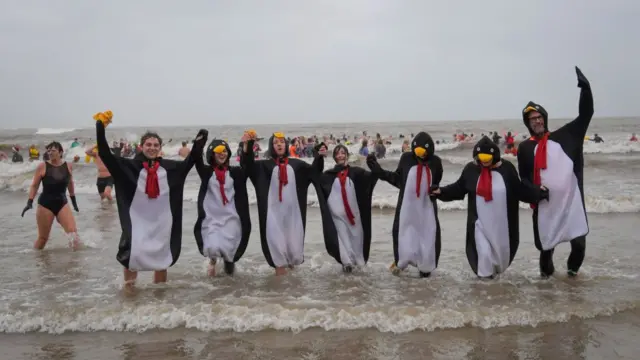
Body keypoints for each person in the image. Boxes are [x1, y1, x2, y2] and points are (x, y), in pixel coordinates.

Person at [94, 110, 207, 287]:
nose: (152, 147)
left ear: (160, 148)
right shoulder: (128, 166)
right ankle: (129, 294)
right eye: (149, 144)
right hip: (137, 221)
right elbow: (105, 153)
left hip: (161, 222)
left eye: (156, 145)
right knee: (131, 256)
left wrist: (199, 143)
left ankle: (158, 297)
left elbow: (189, 163)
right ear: (141, 146)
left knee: (161, 258)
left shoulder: (169, 168)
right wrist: (100, 127)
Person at [432, 136, 547, 278]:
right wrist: (441, 192)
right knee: (484, 256)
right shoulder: (471, 170)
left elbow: (519, 190)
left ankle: (491, 287)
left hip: (501, 226)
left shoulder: (507, 169)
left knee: (498, 260)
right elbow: (458, 188)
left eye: (488, 158)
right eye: (481, 158)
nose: (485, 162)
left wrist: (537, 192)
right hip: (479, 224)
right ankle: (485, 290)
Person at [517, 66, 594, 278]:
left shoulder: (565, 137)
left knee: (579, 245)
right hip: (544, 205)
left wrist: (585, 89)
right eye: (532, 119)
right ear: (528, 123)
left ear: (545, 118)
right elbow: (523, 179)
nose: (537, 121)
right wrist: (534, 191)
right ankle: (547, 286)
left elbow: (585, 114)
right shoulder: (524, 148)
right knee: (546, 250)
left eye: (540, 116)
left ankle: (571, 277)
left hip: (571, 202)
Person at [241, 131, 326, 276]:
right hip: (272, 217)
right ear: (271, 146)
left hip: (293, 217)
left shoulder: (297, 165)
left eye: (281, 141)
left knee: (292, 253)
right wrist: (247, 145)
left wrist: (319, 155)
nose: (279, 144)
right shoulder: (263, 166)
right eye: (275, 142)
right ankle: (280, 293)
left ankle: (289, 291)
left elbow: (314, 172)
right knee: (277, 254)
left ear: (286, 145)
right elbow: (247, 165)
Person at [367, 132, 443, 278]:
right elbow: (398, 179)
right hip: (407, 209)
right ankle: (401, 265)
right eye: (418, 152)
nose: (421, 156)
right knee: (405, 236)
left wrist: (438, 190)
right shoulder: (406, 158)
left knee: (428, 238)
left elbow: (437, 181)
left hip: (426, 209)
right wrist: (379, 171)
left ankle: (425, 271)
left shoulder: (436, 162)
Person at [193, 135, 251, 277]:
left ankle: (227, 286)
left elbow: (248, 166)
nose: (222, 153)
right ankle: (212, 265)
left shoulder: (235, 173)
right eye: (218, 151)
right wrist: (200, 142)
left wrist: (247, 146)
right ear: (212, 154)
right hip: (212, 218)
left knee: (229, 255)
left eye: (225, 151)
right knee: (212, 247)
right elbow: (197, 160)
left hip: (231, 218)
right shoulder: (207, 172)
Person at [315, 144, 378, 272]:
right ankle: (347, 274)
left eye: (343, 153)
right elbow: (315, 175)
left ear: (347, 156)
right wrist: (318, 157)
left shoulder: (356, 172)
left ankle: (358, 275)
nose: (340, 155)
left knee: (357, 246)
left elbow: (372, 177)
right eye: (337, 153)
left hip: (355, 218)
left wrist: (373, 163)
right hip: (338, 217)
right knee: (345, 247)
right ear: (334, 157)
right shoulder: (328, 175)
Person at [21, 141, 80, 250]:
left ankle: (74, 264)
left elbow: (70, 184)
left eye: (53, 150)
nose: (50, 153)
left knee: (73, 234)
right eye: (48, 150)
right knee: (43, 239)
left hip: (62, 203)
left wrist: (74, 201)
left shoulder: (68, 166)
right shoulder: (42, 166)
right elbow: (34, 186)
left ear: (60, 152)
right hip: (45, 205)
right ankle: (37, 260)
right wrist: (29, 202)